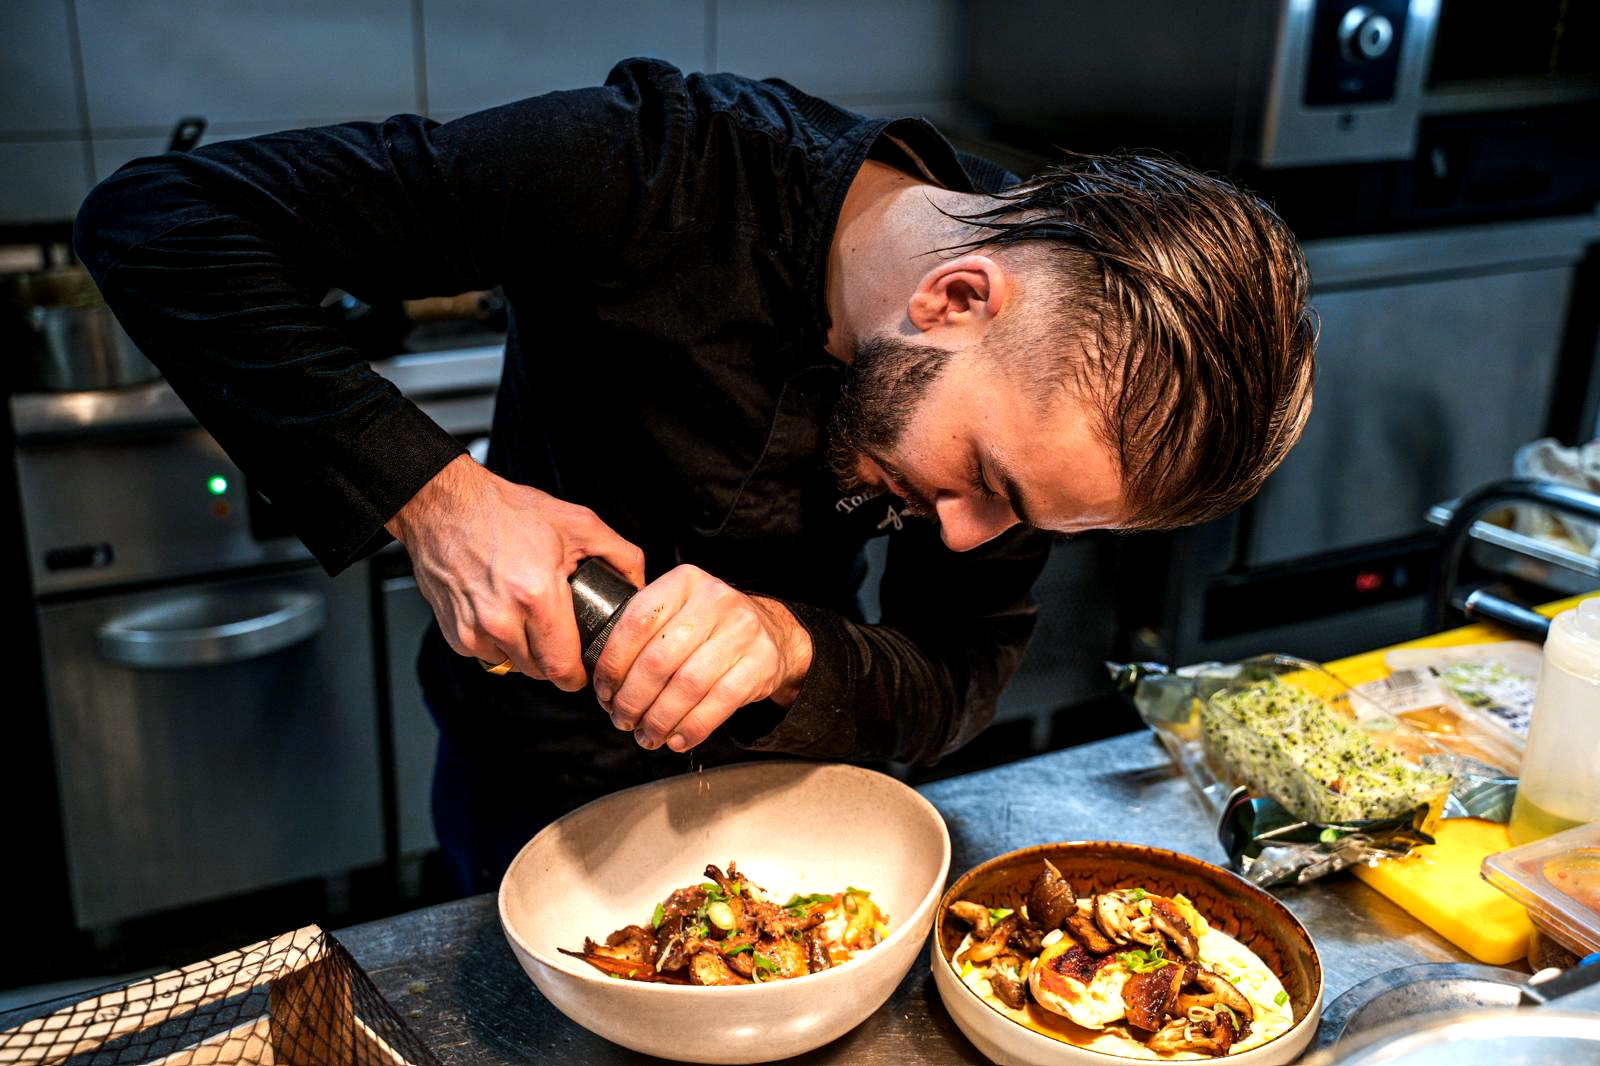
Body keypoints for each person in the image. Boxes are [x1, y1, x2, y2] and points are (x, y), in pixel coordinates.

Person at [74, 58, 1316, 893]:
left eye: (1021, 514)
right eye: (981, 478)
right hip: (533, 784)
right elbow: (163, 220)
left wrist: (792, 647)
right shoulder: (649, 167)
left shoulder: (1039, 403)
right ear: (951, 298)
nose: (971, 531)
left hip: (789, 810)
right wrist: (435, 495)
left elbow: (953, 680)